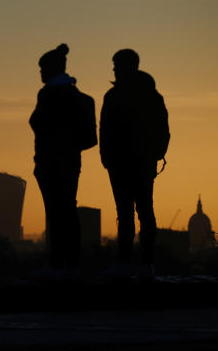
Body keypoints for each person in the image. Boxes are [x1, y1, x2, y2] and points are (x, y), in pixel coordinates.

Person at [100, 48, 170, 280]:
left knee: (130, 213)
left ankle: (128, 264)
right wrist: (155, 154)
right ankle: (143, 264)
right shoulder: (152, 95)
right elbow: (164, 131)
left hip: (126, 163)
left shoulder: (114, 96)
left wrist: (107, 158)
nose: (113, 70)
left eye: (116, 65)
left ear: (126, 67)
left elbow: (106, 130)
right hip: (137, 163)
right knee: (142, 212)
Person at [30, 44, 97, 278]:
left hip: (52, 163)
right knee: (66, 212)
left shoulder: (49, 95)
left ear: (52, 69)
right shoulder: (79, 98)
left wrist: (58, 147)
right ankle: (70, 264)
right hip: (68, 162)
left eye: (42, 68)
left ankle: (59, 265)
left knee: (58, 214)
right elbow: (89, 139)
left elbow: (38, 124)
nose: (39, 73)